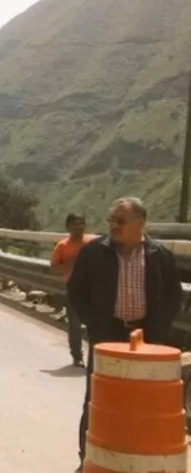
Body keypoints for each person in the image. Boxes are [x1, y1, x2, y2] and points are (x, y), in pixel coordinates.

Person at [67, 197, 183, 472]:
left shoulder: (159, 255)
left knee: (143, 400)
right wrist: (96, 326)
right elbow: (76, 291)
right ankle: (88, 459)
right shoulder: (93, 252)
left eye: (121, 221)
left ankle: (132, 459)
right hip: (107, 336)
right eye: (111, 220)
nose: (114, 226)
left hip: (146, 339)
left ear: (140, 223)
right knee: (97, 398)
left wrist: (157, 330)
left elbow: (173, 295)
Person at [49, 213, 93, 368]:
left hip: (92, 288)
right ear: (68, 227)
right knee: (74, 324)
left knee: (95, 325)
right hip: (74, 288)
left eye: (81, 223)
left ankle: (95, 357)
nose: (78, 226)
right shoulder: (62, 246)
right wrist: (71, 262)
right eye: (74, 223)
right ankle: (77, 356)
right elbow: (54, 267)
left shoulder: (92, 243)